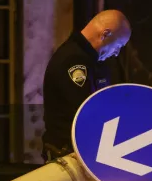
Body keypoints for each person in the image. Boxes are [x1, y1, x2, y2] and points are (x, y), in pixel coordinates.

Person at [42, 9, 131, 160]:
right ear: (105, 34)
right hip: (69, 155)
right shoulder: (72, 61)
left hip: (86, 152)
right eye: (119, 45)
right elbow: (85, 113)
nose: (116, 53)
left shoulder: (94, 61)